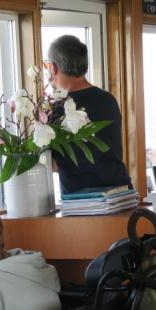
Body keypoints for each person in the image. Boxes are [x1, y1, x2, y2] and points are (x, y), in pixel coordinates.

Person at [46, 35, 132, 194]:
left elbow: (53, 164)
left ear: (53, 67)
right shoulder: (108, 100)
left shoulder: (59, 108)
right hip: (120, 195)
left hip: (84, 204)